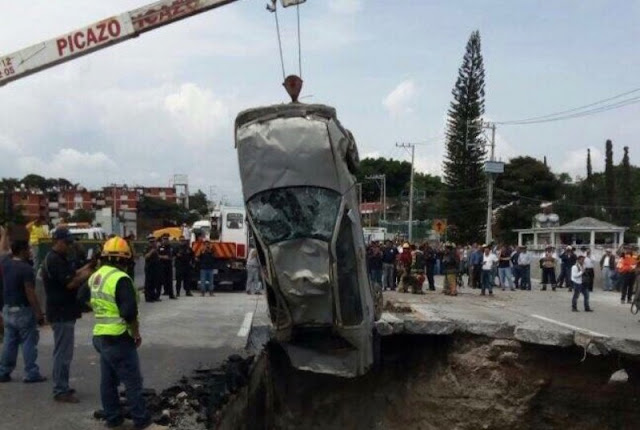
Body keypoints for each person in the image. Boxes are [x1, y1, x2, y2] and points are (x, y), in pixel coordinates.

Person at [89, 236, 166, 430]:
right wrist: (136, 334)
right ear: (125, 260)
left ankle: (113, 418)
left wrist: (102, 310)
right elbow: (129, 312)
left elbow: (82, 297)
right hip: (118, 337)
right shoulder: (121, 279)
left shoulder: (97, 276)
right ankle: (142, 421)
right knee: (133, 382)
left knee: (107, 381)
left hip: (100, 336)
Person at [42, 227, 95, 403]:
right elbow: (71, 283)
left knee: (63, 352)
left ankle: (62, 386)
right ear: (57, 241)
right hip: (61, 312)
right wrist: (88, 273)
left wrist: (89, 266)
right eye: (66, 242)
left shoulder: (59, 258)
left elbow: (73, 274)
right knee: (63, 354)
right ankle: (60, 389)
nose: (69, 246)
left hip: (64, 311)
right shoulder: (54, 260)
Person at [0, 234, 47, 383]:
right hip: (23, 309)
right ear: (22, 250)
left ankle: (4, 371)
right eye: (28, 249)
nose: (30, 251)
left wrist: (4, 234)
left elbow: (4, 250)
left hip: (8, 308)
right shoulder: (25, 269)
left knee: (9, 341)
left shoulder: (5, 264)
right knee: (28, 341)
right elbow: (30, 292)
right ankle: (31, 372)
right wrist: (39, 313)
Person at [157, 235, 176, 300]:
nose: (165, 241)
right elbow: (157, 255)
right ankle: (158, 295)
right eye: (164, 239)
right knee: (160, 281)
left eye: (166, 239)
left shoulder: (170, 247)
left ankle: (171, 294)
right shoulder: (160, 247)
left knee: (169, 281)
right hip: (161, 266)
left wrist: (161, 257)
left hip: (168, 266)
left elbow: (169, 257)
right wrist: (162, 256)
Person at [143, 235, 160, 302]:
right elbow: (146, 256)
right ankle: (148, 297)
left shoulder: (156, 248)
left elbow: (158, 257)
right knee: (148, 283)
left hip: (155, 266)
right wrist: (152, 251)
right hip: (149, 267)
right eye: (151, 242)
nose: (153, 243)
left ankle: (153, 296)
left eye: (154, 241)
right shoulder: (147, 248)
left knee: (154, 282)